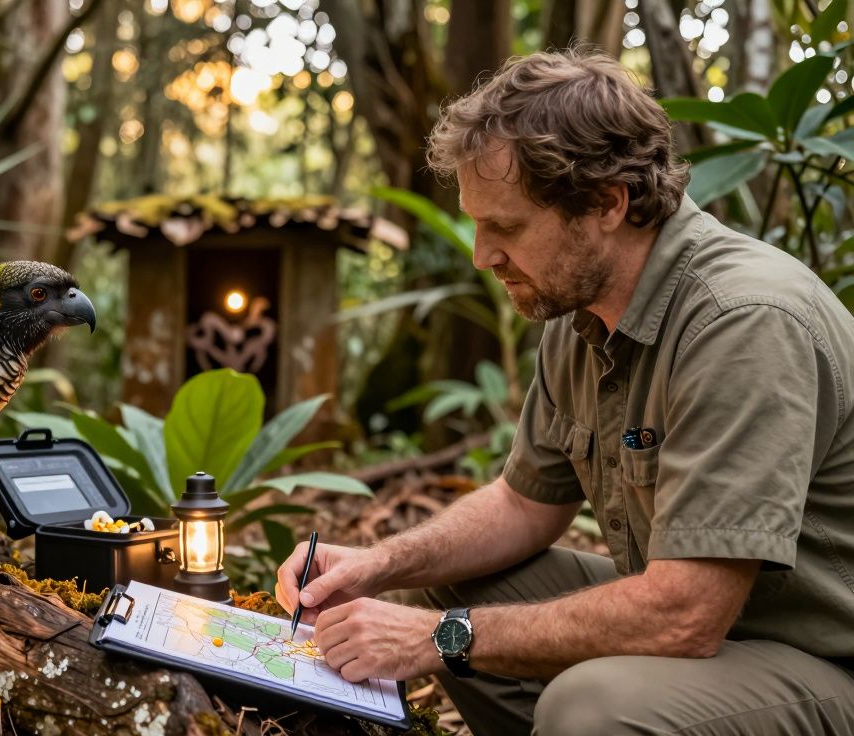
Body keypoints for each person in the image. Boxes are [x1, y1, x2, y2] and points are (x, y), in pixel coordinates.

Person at [276, 48, 854, 735]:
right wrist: (379, 565)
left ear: (608, 203)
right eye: (476, 223)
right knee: (457, 583)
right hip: (722, 642)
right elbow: (523, 506)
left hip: (821, 661)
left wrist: (435, 637)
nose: (481, 255)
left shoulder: (742, 321)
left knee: (592, 710)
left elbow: (687, 613)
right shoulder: (580, 309)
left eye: (507, 226)